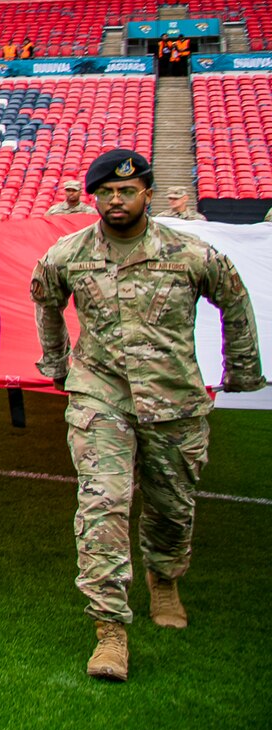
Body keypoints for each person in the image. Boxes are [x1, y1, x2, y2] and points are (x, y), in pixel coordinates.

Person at [31, 148, 261, 682]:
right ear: (94, 197)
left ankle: (164, 577)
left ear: (147, 194)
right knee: (102, 504)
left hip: (174, 401)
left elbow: (235, 300)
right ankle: (109, 629)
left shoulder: (188, 251)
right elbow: (45, 300)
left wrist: (242, 371)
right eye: (106, 192)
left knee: (171, 506)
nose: (116, 200)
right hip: (100, 396)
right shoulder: (68, 253)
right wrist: (58, 365)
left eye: (127, 191)